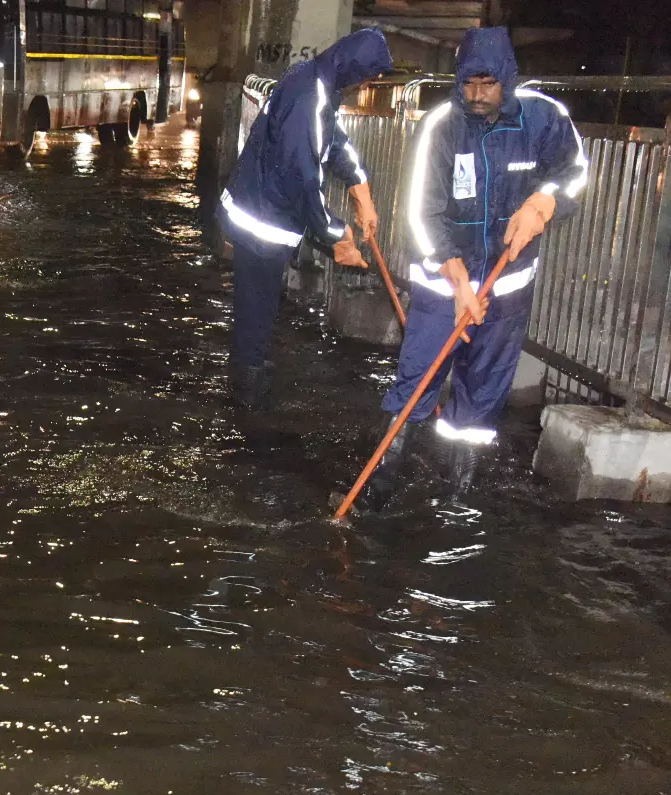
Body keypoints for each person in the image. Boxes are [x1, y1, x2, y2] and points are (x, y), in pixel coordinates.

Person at [357, 26, 588, 510]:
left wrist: (544, 202)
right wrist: (457, 279)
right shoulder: (442, 125)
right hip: (444, 286)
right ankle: (377, 497)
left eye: (488, 84)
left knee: (482, 392)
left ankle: (455, 497)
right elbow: (423, 213)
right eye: (468, 84)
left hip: (507, 290)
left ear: (507, 80)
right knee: (417, 381)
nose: (477, 95)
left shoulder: (545, 118)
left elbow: (574, 172)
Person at [217, 28, 393, 410]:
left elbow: (334, 141)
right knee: (256, 310)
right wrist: (335, 236)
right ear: (352, 68)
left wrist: (359, 189)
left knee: (257, 309)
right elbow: (303, 177)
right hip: (260, 221)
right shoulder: (309, 96)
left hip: (262, 211)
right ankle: (248, 405)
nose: (364, 84)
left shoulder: (314, 80)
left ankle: (248, 383)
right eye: (365, 77)